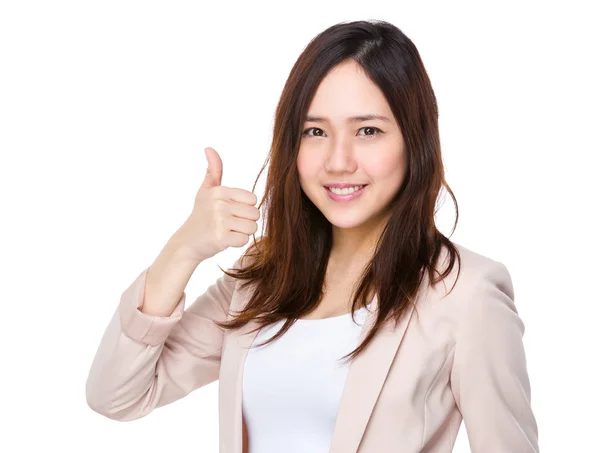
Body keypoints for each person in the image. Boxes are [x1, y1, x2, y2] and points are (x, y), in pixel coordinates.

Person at [86, 19, 539, 453]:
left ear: (414, 139)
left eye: (368, 130)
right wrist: (184, 249)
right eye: (315, 131)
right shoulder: (261, 280)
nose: (338, 161)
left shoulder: (467, 295)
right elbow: (117, 395)